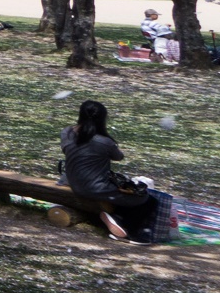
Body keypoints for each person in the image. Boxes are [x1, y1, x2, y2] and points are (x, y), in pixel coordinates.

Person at [62, 99, 162, 242]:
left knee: (125, 197)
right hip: (95, 188)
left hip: (71, 181)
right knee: (147, 200)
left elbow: (66, 150)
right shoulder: (104, 142)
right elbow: (119, 157)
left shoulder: (67, 132)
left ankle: (116, 220)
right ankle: (130, 232)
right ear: (102, 119)